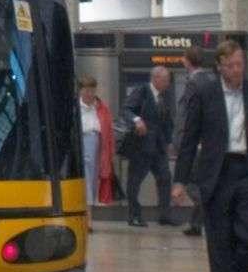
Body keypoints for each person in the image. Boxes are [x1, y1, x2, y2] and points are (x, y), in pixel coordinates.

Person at [172, 40, 248, 272]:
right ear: (219, 66)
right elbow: (190, 139)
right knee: (219, 240)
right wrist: (179, 181)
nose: (237, 70)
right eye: (231, 65)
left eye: (240, 64)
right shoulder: (205, 93)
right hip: (217, 174)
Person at [119, 65, 175, 226]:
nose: (167, 83)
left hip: (158, 147)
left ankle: (165, 215)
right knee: (134, 181)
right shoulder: (142, 91)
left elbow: (167, 121)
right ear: (155, 78)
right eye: (164, 80)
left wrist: (169, 141)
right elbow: (127, 109)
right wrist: (137, 120)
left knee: (165, 179)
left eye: (168, 80)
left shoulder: (164, 96)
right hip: (141, 146)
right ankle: (134, 215)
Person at [175, 46, 220, 237]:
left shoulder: (195, 83)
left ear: (187, 61)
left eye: (183, 58)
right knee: (198, 182)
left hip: (196, 143)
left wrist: (182, 140)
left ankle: (211, 214)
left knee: (193, 184)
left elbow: (188, 116)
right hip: (205, 141)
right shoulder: (211, 80)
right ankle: (195, 224)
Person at [77, 76, 114, 221]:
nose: (89, 94)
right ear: (80, 91)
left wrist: (109, 154)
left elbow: (108, 133)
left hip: (97, 149)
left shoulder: (102, 109)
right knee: (85, 181)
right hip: (81, 146)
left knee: (92, 182)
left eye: (92, 90)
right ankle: (87, 218)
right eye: (86, 90)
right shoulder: (75, 108)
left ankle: (88, 217)